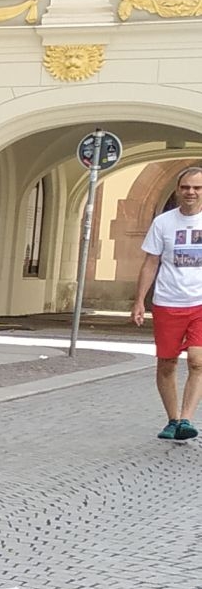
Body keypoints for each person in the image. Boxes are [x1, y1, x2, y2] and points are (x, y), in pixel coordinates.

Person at [131, 162, 202, 441]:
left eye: (197, 188)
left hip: (200, 302)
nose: (191, 192)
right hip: (167, 301)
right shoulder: (164, 222)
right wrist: (139, 301)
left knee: (197, 361)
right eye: (185, 187)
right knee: (167, 363)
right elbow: (150, 262)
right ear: (177, 190)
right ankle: (172, 420)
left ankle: (186, 418)